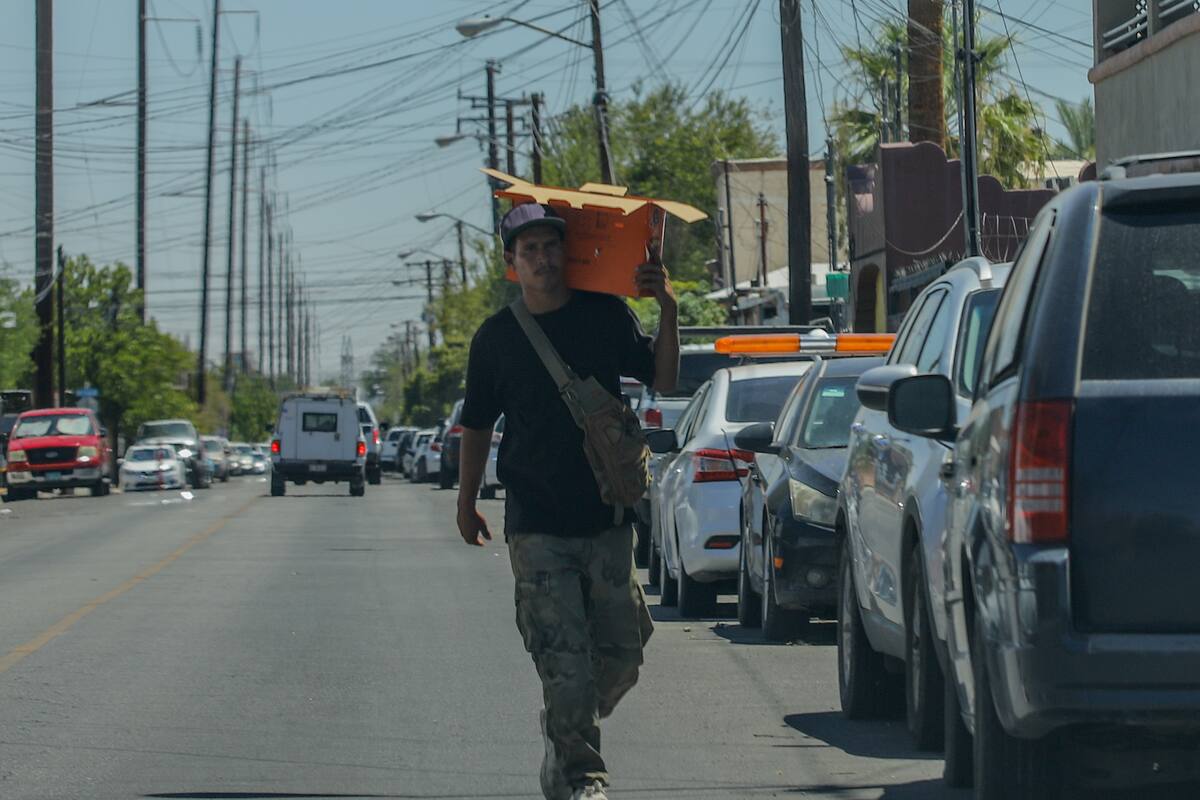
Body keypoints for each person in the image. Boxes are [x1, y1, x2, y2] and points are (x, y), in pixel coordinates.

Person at [456, 203, 679, 800]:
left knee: (624, 656)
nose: (542, 259)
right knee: (567, 663)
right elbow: (476, 425)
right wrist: (467, 500)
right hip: (536, 526)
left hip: (605, 519)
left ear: (566, 250)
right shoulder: (496, 339)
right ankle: (584, 779)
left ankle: (564, 731)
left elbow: (665, 379)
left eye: (551, 246)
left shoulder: (606, 316)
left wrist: (668, 311)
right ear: (511, 265)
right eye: (528, 250)